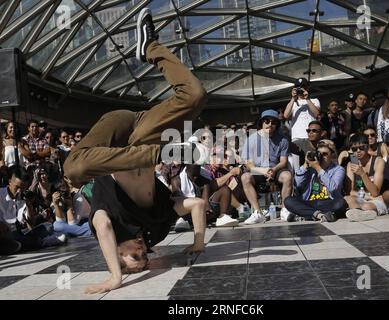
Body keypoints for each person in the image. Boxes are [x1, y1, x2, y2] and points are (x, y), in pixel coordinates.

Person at [63, 9, 208, 294]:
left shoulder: (107, 221)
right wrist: (198, 243)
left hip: (115, 134)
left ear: (116, 254)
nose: (143, 251)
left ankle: (156, 154)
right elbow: (198, 205)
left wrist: (115, 278)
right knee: (196, 96)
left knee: (74, 169)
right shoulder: (160, 224)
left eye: (134, 257)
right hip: (144, 135)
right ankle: (150, 47)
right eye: (145, 257)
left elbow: (103, 230)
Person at [240, 109, 292, 224]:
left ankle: (284, 209)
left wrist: (273, 169)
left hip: (275, 168)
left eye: (273, 122)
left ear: (277, 125)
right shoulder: (252, 139)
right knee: (245, 177)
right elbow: (248, 164)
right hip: (258, 170)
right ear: (262, 123)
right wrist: (262, 170)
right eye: (267, 121)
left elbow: (283, 161)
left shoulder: (283, 139)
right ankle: (258, 212)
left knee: (287, 175)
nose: (270, 124)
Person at [284, 140, 346, 222]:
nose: (322, 157)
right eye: (319, 153)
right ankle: (320, 215)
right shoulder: (310, 168)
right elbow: (297, 184)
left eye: (325, 154)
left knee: (341, 203)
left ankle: (306, 215)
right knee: (288, 201)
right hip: (310, 201)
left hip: (328, 202)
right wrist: (305, 166)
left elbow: (333, 188)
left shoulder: (338, 169)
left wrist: (319, 169)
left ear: (332, 155)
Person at [344, 134, 387, 222]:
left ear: (367, 147)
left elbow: (375, 192)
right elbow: (350, 191)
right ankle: (360, 214)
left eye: (362, 148)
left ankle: (360, 213)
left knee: (366, 206)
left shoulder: (378, 161)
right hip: (365, 198)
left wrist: (363, 174)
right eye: (354, 149)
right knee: (347, 199)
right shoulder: (351, 164)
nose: (358, 151)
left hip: (376, 200)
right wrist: (368, 197)